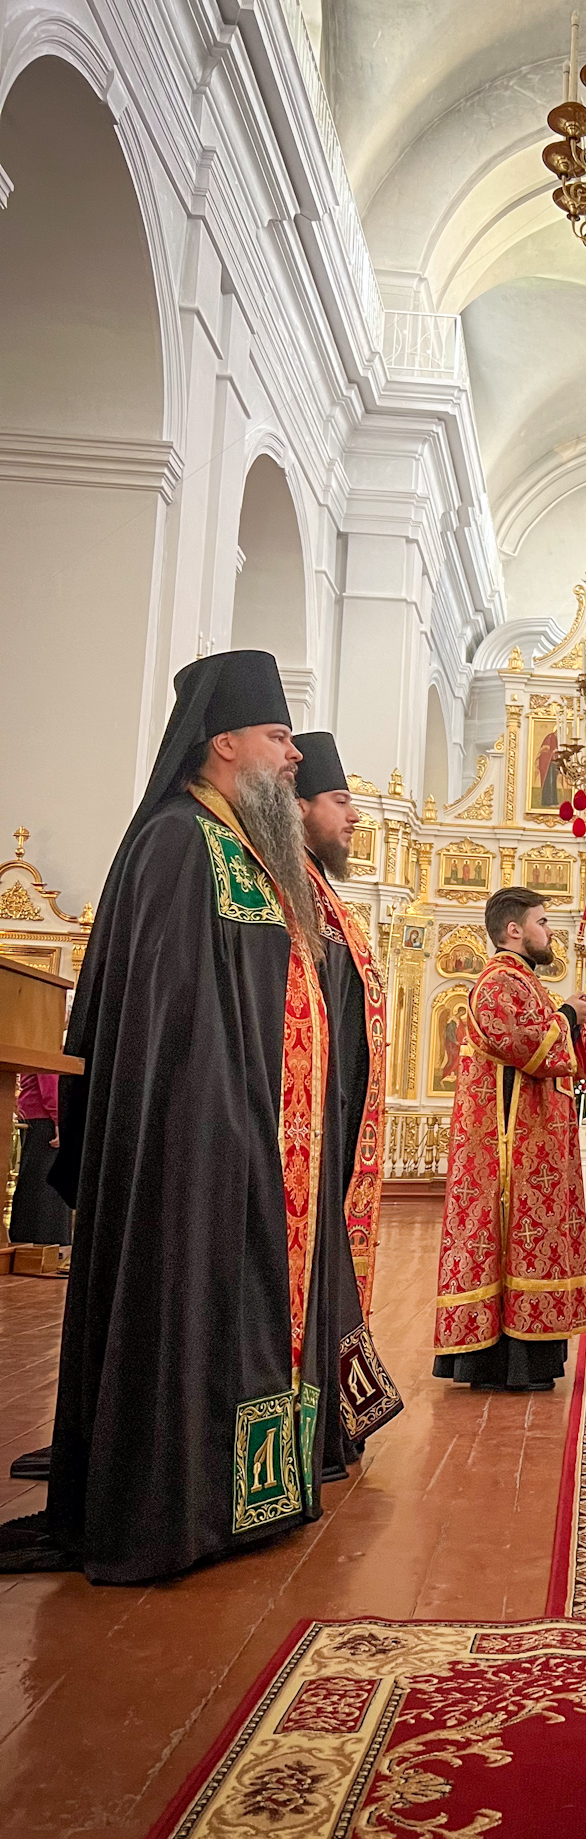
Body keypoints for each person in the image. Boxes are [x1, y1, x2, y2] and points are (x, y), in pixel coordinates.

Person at [0, 651, 334, 1583]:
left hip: (248, 1140)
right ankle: (172, 1507)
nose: (294, 756)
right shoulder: (179, 843)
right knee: (184, 1312)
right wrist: (220, 1126)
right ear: (222, 741)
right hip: (191, 1144)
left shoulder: (240, 845)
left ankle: (232, 1501)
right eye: (278, 736)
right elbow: (165, 1021)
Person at [432, 887, 586, 1392]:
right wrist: (568, 1015)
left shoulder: (523, 981)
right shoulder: (498, 982)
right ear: (513, 930)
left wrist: (565, 1014)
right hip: (508, 1147)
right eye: (541, 922)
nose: (549, 931)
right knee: (511, 1236)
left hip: (531, 1141)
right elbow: (530, 1046)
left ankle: (527, 1359)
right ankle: (503, 1362)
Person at [292, 733, 402, 1472]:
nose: (356, 817)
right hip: (305, 1126)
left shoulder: (319, 890)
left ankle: (333, 1415)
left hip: (331, 1126)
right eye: (340, 802)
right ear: (299, 808)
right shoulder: (291, 887)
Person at [6, 1069, 71, 1246]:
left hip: (35, 1114)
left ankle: (29, 1237)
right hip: (44, 1117)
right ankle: (45, 1242)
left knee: (36, 1179)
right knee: (47, 1182)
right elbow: (49, 1080)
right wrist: (58, 1119)